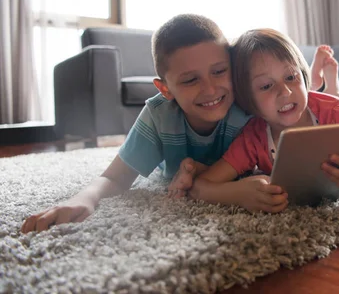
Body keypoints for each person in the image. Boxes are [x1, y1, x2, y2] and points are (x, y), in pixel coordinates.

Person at [21, 14, 252, 233]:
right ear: (165, 89)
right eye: (191, 80)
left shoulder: (247, 104)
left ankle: (201, 181)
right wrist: (83, 199)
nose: (210, 89)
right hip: (176, 172)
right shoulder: (159, 115)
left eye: (220, 71)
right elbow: (115, 177)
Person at [170, 29, 339, 213]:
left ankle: (335, 94)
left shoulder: (336, 114)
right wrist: (238, 194)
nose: (286, 92)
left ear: (302, 74)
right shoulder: (253, 137)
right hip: (327, 107)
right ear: (248, 100)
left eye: (291, 77)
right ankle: (332, 92)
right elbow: (202, 186)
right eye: (266, 86)